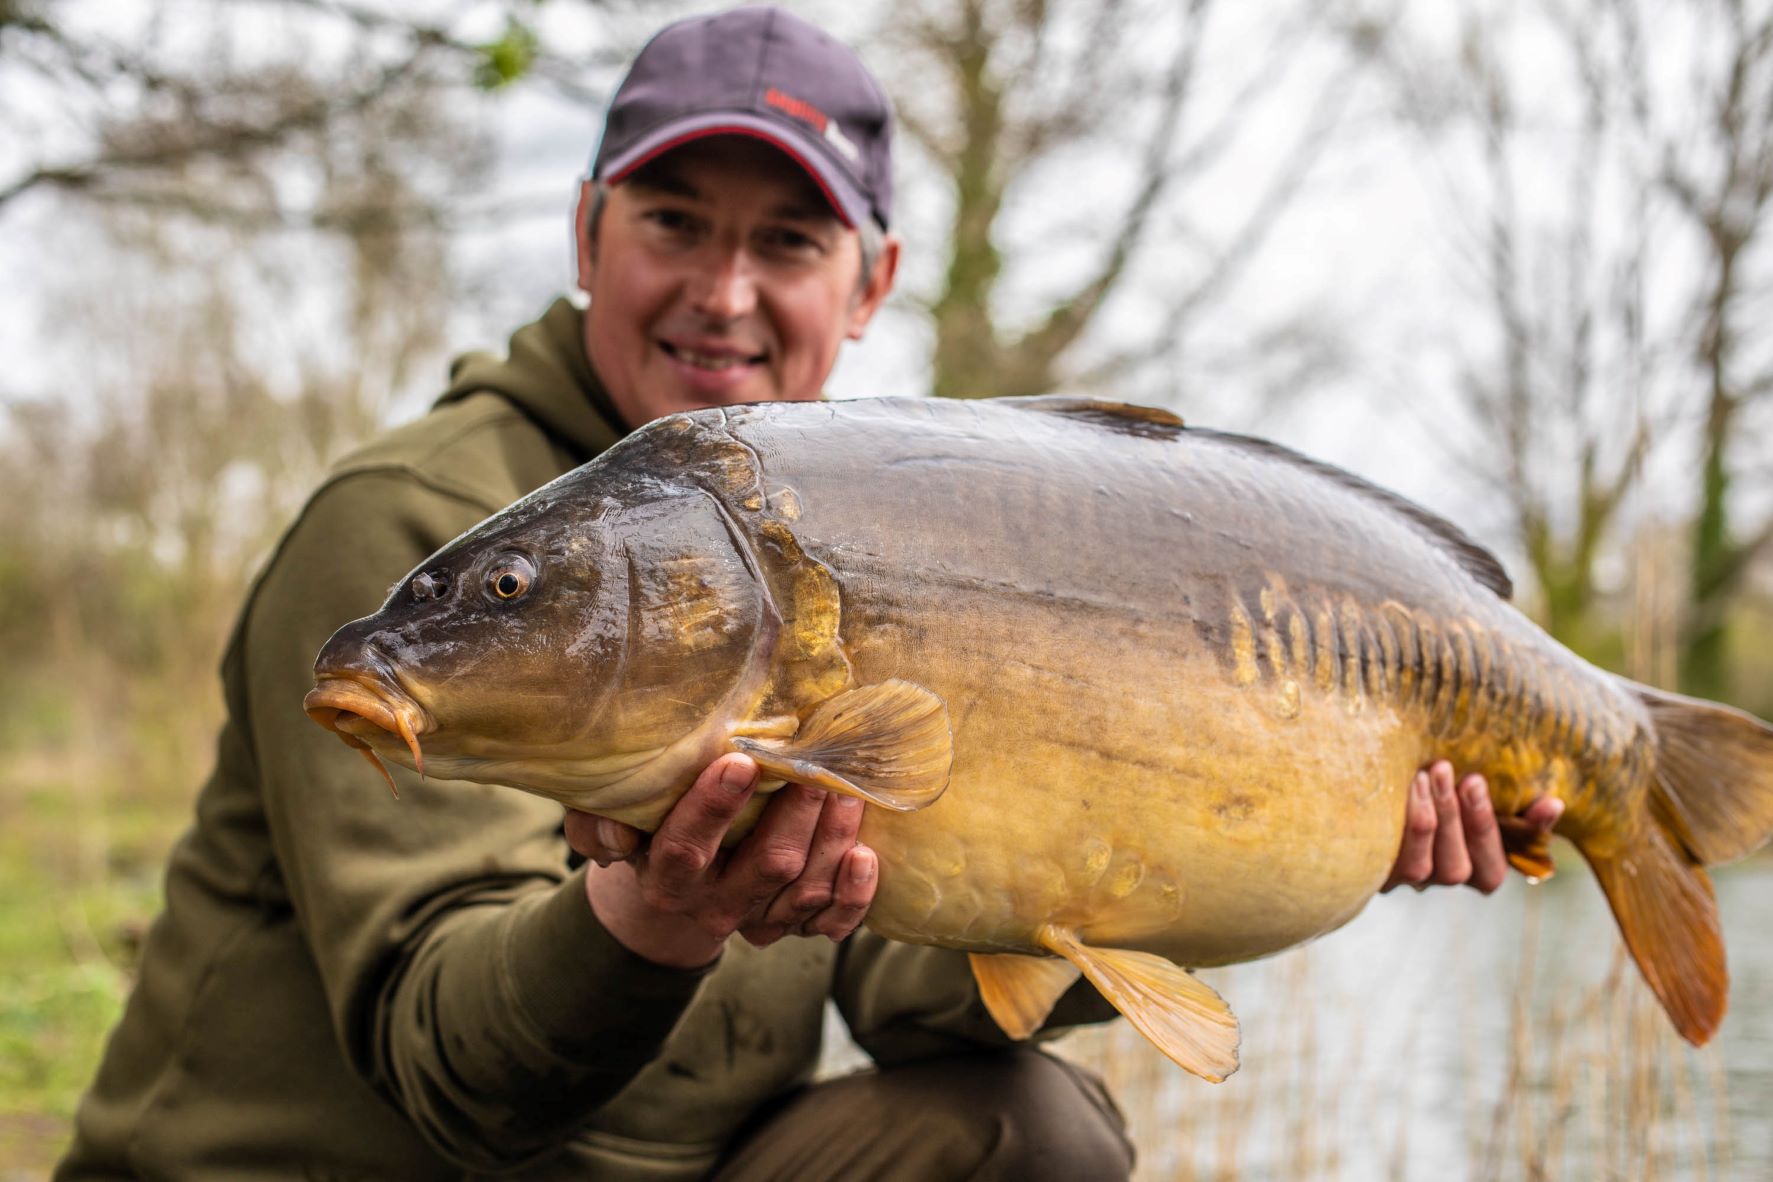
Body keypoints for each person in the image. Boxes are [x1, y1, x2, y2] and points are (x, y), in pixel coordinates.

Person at [57, 8, 1559, 1180]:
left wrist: (1281, 835)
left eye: (785, 241)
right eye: (673, 222)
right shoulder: (412, 517)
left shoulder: (875, 517)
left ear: (871, 283)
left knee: (1031, 1128)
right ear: (587, 235)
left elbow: (911, 996)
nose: (723, 291)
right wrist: (656, 909)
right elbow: (454, 1071)